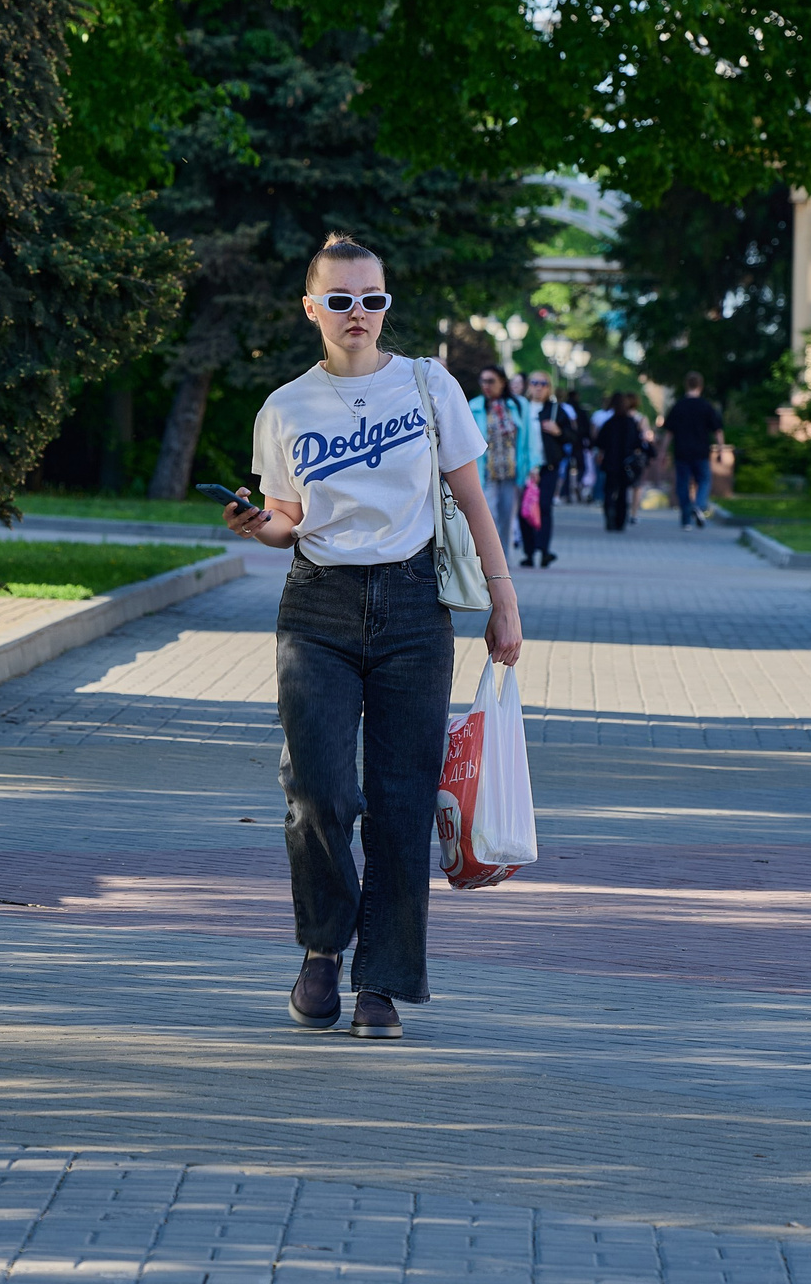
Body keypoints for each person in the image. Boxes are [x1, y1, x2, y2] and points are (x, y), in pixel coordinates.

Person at [219, 233, 522, 1043]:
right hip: (317, 606)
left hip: (416, 607)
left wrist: (504, 599)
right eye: (343, 300)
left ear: (387, 304)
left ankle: (380, 984)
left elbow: (473, 498)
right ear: (312, 306)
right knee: (318, 791)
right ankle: (324, 946)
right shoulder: (285, 406)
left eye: (374, 300)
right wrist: (261, 525)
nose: (360, 315)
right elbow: (287, 520)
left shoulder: (428, 387)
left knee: (399, 804)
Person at [468, 366, 536, 555]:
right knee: (488, 517)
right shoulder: (475, 406)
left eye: (491, 381)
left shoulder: (518, 405)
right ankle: (486, 560)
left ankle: (503, 562)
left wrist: (533, 467)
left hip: (511, 471)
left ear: (502, 382)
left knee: (507, 518)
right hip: (485, 471)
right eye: (483, 381)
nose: (486, 386)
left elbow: (530, 439)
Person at [522, 371, 571, 568]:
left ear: (549, 388)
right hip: (525, 468)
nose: (539, 387)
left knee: (543, 506)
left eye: (543, 383)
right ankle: (529, 552)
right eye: (534, 382)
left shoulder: (556, 410)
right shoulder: (522, 408)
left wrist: (558, 431)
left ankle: (543, 551)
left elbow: (573, 436)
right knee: (525, 510)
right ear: (528, 385)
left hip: (548, 466)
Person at [664, 371, 725, 528]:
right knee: (704, 480)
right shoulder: (706, 406)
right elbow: (717, 430)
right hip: (701, 451)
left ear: (686, 385)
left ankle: (686, 520)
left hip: (681, 451)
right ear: (701, 386)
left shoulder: (678, 406)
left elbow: (669, 432)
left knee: (682, 484)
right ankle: (699, 504)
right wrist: (720, 450)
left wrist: (663, 452)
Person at [595, 390, 649, 533]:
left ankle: (610, 518)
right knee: (623, 493)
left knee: (609, 491)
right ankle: (620, 521)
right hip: (626, 464)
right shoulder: (631, 423)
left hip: (611, 462)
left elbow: (599, 442)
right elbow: (638, 443)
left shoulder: (609, 423)